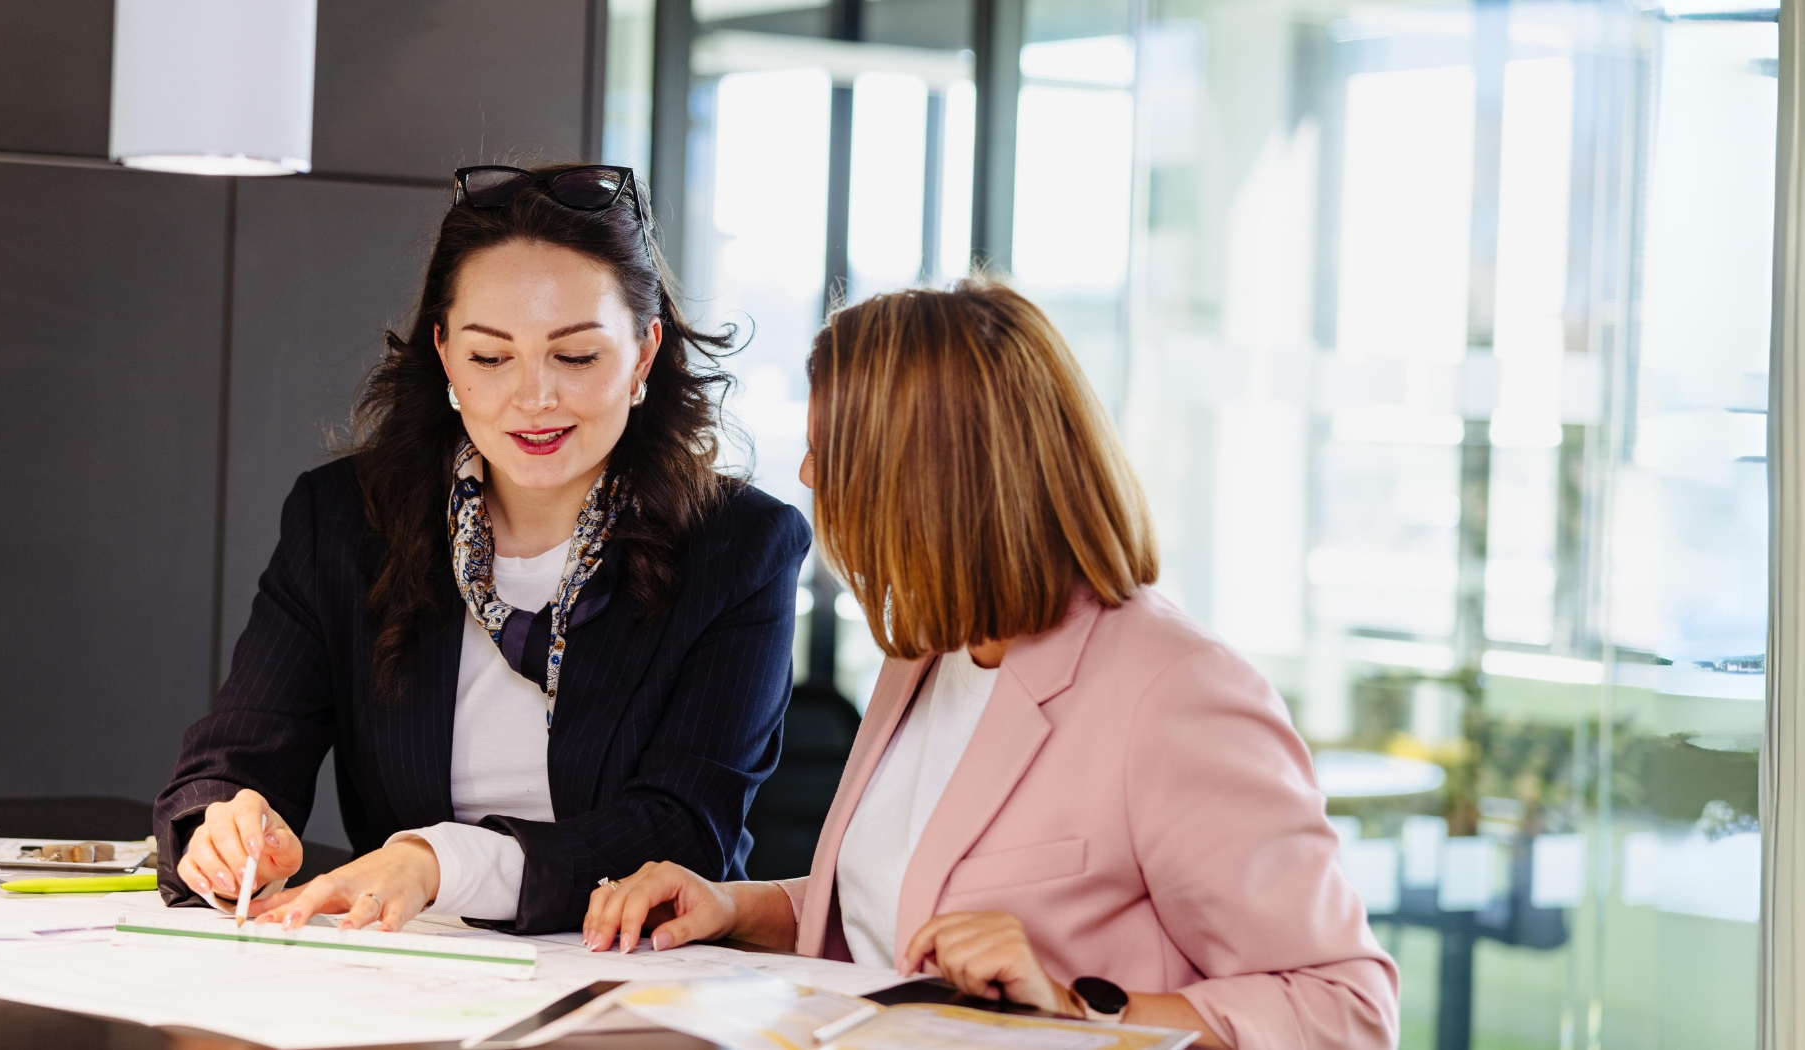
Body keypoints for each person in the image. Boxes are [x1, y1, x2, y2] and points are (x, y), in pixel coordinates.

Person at [580, 280, 1398, 1050]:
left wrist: (1075, 1009)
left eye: (830, 449)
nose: (806, 475)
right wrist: (735, 905)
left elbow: (1347, 1006)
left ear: (929, 479)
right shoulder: (930, 654)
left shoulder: (1174, 691)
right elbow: (899, 921)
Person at [154, 163, 809, 935]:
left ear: (642, 356)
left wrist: (439, 863)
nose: (533, 397)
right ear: (443, 356)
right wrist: (225, 825)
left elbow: (684, 828)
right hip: (405, 972)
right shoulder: (344, 520)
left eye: (576, 356)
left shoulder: (739, 547)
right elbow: (237, 757)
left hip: (634, 977)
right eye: (491, 358)